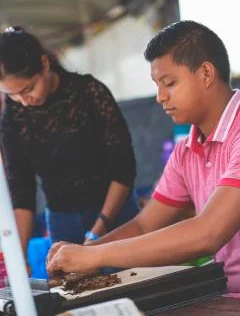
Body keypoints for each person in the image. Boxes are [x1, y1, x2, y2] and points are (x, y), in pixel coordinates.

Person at [47, 20, 240, 297]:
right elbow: (144, 225)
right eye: (157, 85)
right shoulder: (186, 151)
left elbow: (208, 233)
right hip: (224, 296)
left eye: (169, 83)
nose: (160, 97)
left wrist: (96, 257)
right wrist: (84, 254)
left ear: (206, 73)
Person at [0, 26, 139, 269]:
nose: (24, 101)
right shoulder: (14, 116)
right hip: (62, 222)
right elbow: (22, 189)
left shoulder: (90, 92)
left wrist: (97, 233)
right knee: (75, 298)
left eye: (28, 89)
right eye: (13, 95)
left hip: (115, 213)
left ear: (44, 64)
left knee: (129, 288)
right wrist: (19, 257)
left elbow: (123, 169)